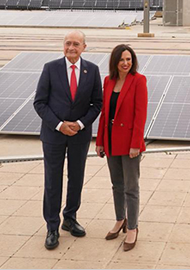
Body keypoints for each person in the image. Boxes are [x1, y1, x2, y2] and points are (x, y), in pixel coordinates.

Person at [33, 30, 102, 250]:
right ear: (63, 46)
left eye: (76, 44)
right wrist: (60, 125)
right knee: (53, 181)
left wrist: (80, 124)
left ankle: (70, 218)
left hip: (79, 136)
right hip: (53, 134)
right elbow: (40, 103)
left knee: (76, 178)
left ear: (84, 47)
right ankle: (52, 226)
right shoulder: (50, 68)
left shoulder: (92, 70)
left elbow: (97, 104)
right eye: (67, 43)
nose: (71, 47)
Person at [95, 44, 147, 251]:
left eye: (129, 59)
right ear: (115, 62)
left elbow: (140, 115)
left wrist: (136, 144)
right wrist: (99, 141)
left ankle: (132, 227)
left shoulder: (139, 81)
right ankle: (120, 219)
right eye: (122, 60)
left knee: (131, 188)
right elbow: (104, 114)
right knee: (116, 184)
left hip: (129, 143)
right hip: (110, 140)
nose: (126, 63)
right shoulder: (108, 81)